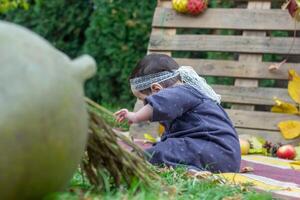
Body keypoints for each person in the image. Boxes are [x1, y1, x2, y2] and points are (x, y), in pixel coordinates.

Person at [114, 54, 241, 173]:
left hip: (215, 151)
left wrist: (135, 116)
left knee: (162, 151)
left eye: (144, 100)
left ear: (157, 89)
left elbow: (161, 102)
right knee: (167, 147)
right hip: (218, 154)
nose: (145, 105)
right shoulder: (184, 97)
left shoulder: (181, 91)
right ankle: (188, 169)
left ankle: (139, 159)